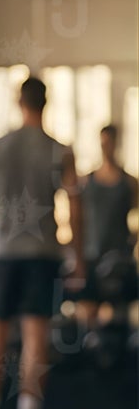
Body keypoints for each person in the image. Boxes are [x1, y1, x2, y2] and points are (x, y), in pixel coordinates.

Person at [0, 75, 86, 409]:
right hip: (42, 255)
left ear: (19, 103)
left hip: (0, 254)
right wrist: (77, 257)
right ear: (45, 103)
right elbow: (76, 209)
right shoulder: (60, 151)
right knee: (36, 339)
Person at [75, 122, 138, 328]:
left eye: (109, 143)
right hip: (92, 254)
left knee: (117, 315)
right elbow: (78, 218)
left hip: (119, 256)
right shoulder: (87, 181)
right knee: (88, 313)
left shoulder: (129, 183)